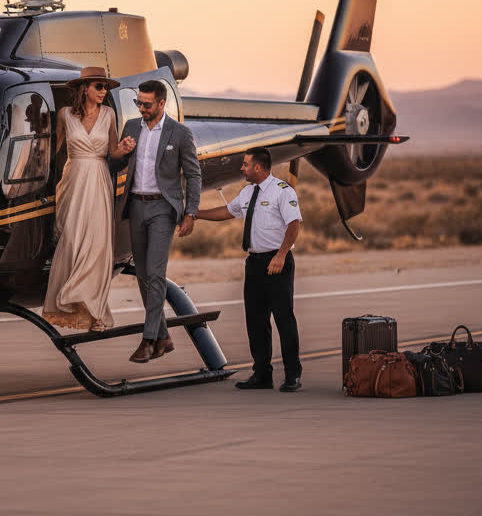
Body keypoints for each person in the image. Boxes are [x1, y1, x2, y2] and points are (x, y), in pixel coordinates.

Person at [197, 147, 303, 392]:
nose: (241, 168)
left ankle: (292, 375)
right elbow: (227, 211)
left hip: (277, 262)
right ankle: (262, 374)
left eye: (245, 164)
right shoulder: (247, 192)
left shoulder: (282, 191)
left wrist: (281, 255)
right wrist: (196, 214)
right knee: (255, 320)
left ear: (258, 167)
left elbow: (294, 224)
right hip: (254, 263)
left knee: (284, 319)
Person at [43, 67, 135, 332]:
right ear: (84, 89)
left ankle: (94, 311)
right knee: (72, 239)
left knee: (96, 244)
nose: (104, 91)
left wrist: (123, 149)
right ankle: (69, 303)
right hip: (73, 179)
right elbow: (52, 151)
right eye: (99, 86)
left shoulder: (108, 115)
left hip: (98, 178)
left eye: (105, 87)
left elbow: (112, 152)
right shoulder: (65, 115)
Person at [116, 79, 201, 363]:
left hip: (163, 209)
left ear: (162, 103)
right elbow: (115, 164)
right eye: (138, 103)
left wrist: (191, 212)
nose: (141, 108)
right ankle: (164, 337)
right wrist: (120, 151)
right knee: (143, 275)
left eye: (147, 104)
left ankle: (149, 339)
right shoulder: (131, 127)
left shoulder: (180, 133)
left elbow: (193, 174)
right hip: (135, 206)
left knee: (154, 272)